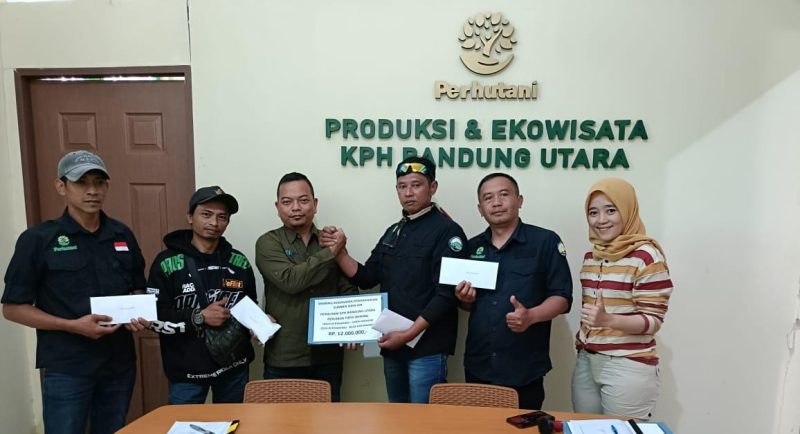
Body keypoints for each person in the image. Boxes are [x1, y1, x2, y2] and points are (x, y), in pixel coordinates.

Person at [1, 150, 148, 434]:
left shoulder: (122, 235)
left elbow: (136, 286)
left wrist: (135, 308)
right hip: (67, 366)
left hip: (118, 364)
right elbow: (13, 308)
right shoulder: (38, 239)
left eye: (99, 182)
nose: (92, 191)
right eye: (81, 182)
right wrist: (71, 325)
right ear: (61, 186)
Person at [323, 156, 467, 403]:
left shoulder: (448, 231)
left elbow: (445, 295)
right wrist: (339, 251)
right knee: (397, 418)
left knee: (424, 420)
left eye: (416, 185)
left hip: (427, 348)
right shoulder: (394, 231)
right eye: (402, 186)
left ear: (432, 187)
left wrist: (409, 334)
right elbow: (367, 277)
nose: (408, 193)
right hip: (393, 345)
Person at [454, 173, 573, 410]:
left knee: (522, 426)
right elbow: (469, 304)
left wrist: (531, 316)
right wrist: (464, 299)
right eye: (488, 198)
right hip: (479, 364)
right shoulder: (472, 247)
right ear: (480, 209)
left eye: (504, 194)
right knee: (479, 426)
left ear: (519, 200)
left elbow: (562, 296)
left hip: (524, 367)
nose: (496, 203)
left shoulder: (545, 242)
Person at [571, 178, 673, 420]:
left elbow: (653, 321)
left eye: (611, 210)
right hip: (587, 360)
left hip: (627, 364)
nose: (601, 220)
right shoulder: (592, 256)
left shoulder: (647, 257)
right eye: (593, 212)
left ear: (627, 210)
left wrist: (608, 320)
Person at [147, 186, 257, 404]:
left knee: (236, 421)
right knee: (185, 422)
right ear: (190, 217)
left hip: (234, 368)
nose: (214, 223)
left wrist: (259, 322)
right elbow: (153, 317)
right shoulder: (166, 263)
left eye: (222, 217)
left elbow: (249, 305)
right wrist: (198, 316)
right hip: (187, 372)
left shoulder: (239, 262)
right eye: (206, 214)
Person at [254, 172, 357, 402]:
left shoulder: (330, 241)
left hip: (328, 355)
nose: (296, 208)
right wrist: (331, 252)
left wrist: (353, 328)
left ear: (315, 204)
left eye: (303, 200)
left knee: (327, 419)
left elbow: (347, 288)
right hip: (284, 355)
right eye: (287, 202)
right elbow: (290, 281)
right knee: (281, 421)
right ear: (277, 207)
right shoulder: (268, 242)